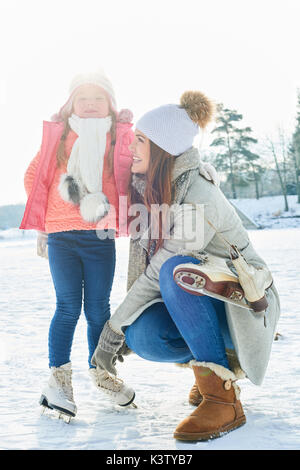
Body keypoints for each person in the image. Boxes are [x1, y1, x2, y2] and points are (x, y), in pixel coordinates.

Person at [91, 91, 281, 441]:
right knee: (143, 336)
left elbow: (159, 272)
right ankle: (211, 369)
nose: (133, 147)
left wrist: (113, 328)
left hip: (248, 304)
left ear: (162, 149)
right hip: (209, 300)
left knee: (175, 270)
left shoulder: (197, 194)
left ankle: (222, 399)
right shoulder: (155, 188)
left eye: (142, 141)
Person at [20, 70, 137, 419]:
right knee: (68, 306)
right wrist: (45, 223)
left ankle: (102, 373)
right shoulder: (59, 138)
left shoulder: (118, 139)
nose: (89, 104)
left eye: (98, 98)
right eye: (82, 98)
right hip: (61, 237)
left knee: (99, 309)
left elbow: (138, 170)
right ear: (70, 103)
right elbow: (32, 177)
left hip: (99, 235)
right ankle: (58, 380)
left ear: (110, 105)